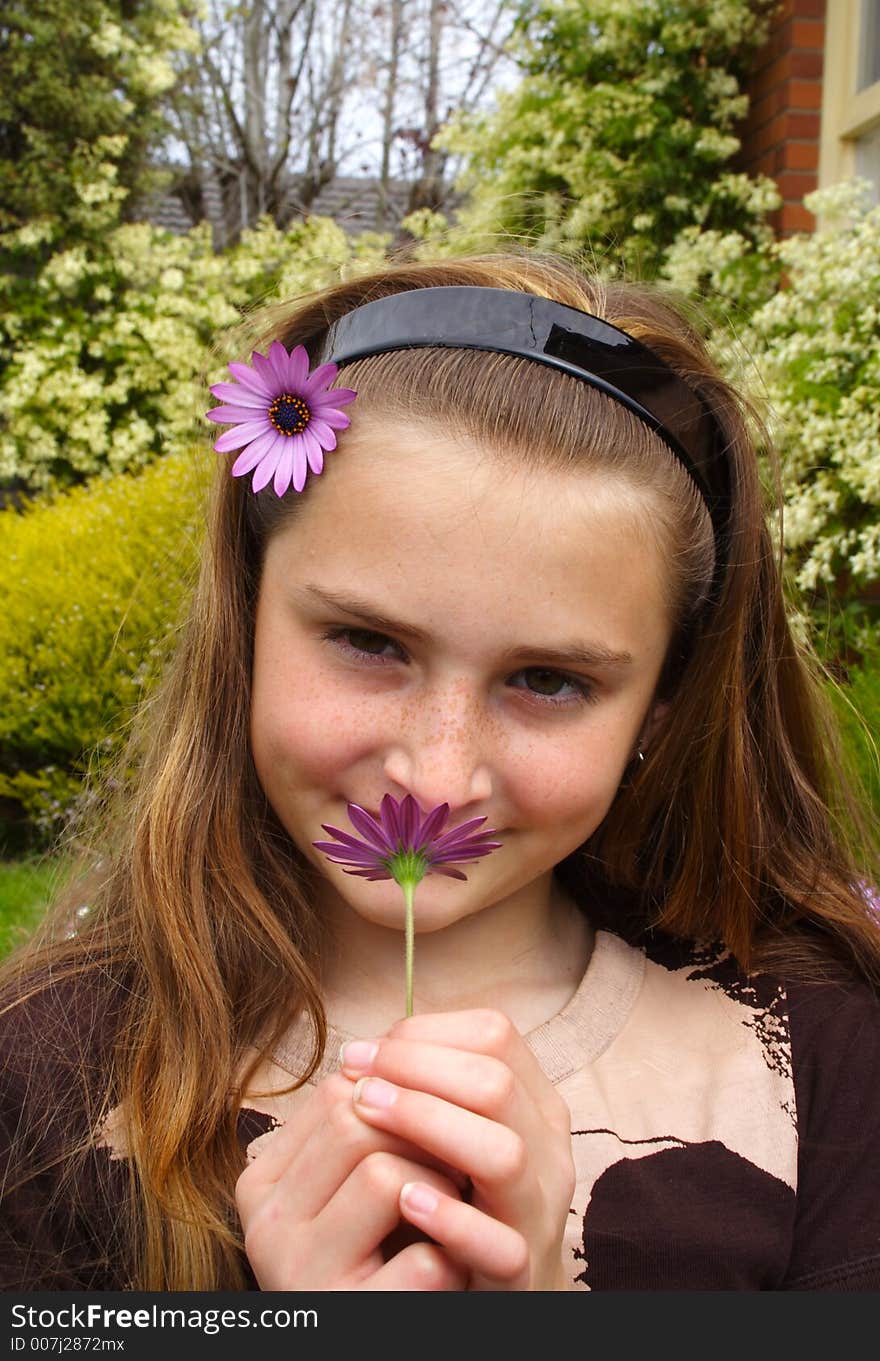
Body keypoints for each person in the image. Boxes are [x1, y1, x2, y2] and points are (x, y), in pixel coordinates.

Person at [2, 253, 879, 1293]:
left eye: (547, 679)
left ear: (664, 703)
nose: (436, 770)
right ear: (246, 615)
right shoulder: (50, 1074)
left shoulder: (822, 1056)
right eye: (369, 642)